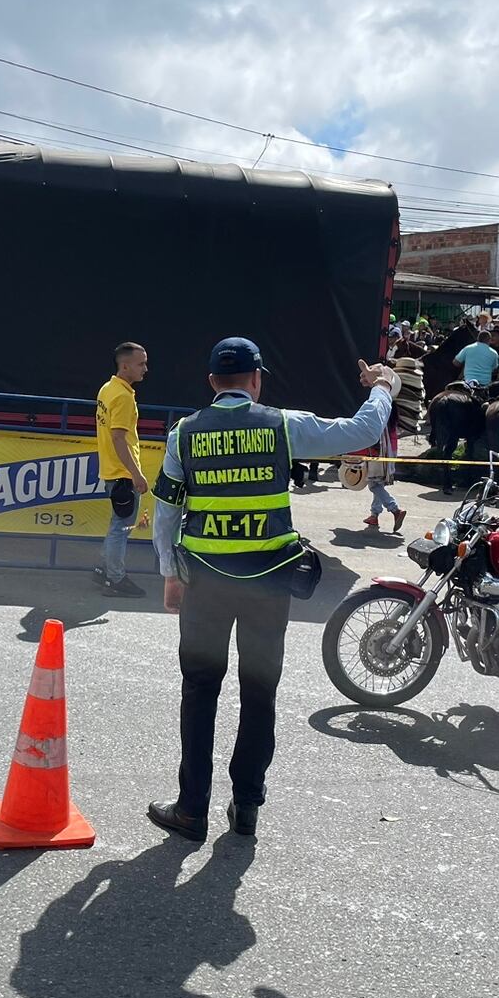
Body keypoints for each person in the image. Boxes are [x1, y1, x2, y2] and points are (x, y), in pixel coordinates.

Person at [147, 338, 398, 842]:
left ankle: (191, 808)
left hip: (204, 583)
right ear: (257, 379)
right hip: (268, 583)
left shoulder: (184, 434)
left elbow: (166, 511)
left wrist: (170, 572)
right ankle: (247, 807)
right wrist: (384, 387)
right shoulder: (283, 425)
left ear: (211, 382)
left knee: (200, 691)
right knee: (258, 692)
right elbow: (365, 430)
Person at [94, 341, 150, 598]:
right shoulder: (123, 396)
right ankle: (115, 578)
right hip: (122, 473)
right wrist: (136, 474)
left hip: (111, 470)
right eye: (141, 364)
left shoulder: (107, 388)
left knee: (117, 524)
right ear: (125, 365)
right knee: (122, 528)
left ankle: (105, 570)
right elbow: (118, 437)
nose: (145, 369)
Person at [362, 422, 406, 533]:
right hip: (390, 447)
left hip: (380, 449)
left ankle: (395, 509)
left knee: (373, 485)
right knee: (378, 483)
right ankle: (374, 515)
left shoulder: (381, 411)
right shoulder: (392, 410)